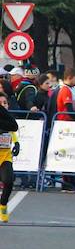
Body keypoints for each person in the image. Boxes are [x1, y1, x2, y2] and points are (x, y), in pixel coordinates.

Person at [0, 92, 20, 223]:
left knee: (8, 180)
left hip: (5, 156)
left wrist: (17, 144)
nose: (3, 105)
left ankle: (3, 205)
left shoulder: (8, 119)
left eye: (5, 103)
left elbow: (13, 132)